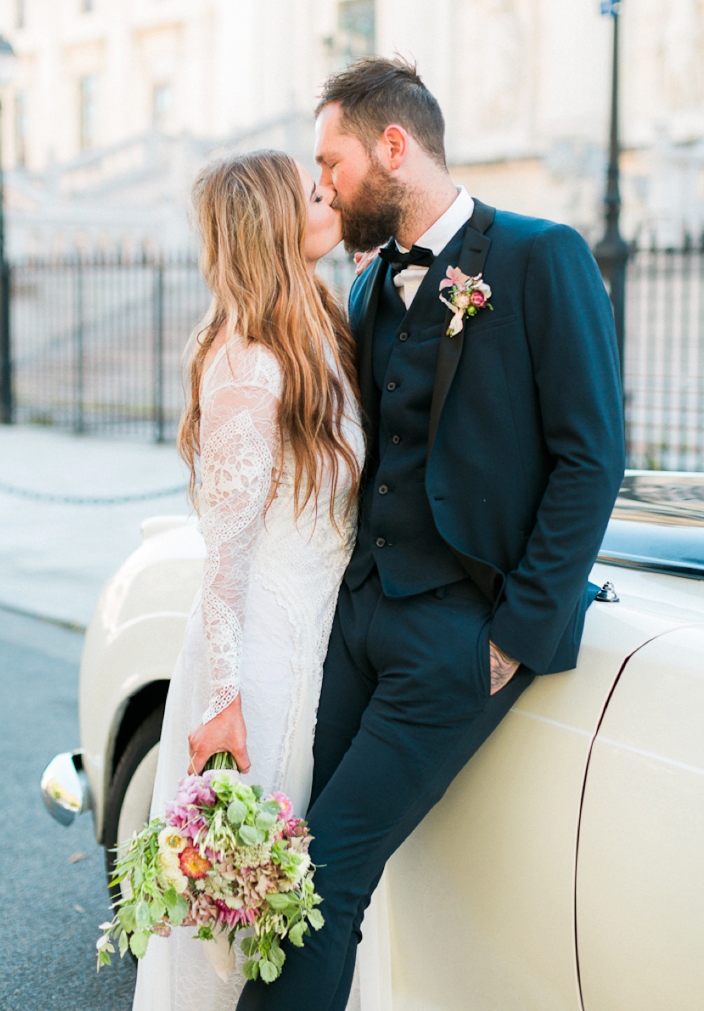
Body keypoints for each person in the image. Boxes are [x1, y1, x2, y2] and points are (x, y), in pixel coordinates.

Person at [235, 57, 626, 1011]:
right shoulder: (369, 288)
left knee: (326, 874)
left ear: (394, 148)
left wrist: (513, 642)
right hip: (360, 620)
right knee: (286, 866)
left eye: (332, 162)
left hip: (460, 634)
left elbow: (592, 456)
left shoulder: (541, 257)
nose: (320, 184)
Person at [132, 150, 367, 1011]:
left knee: (281, 909)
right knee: (231, 919)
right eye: (309, 191)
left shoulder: (317, 327)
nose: (326, 192)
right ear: (272, 224)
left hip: (313, 646)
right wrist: (223, 700)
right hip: (258, 668)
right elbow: (222, 560)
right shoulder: (242, 365)